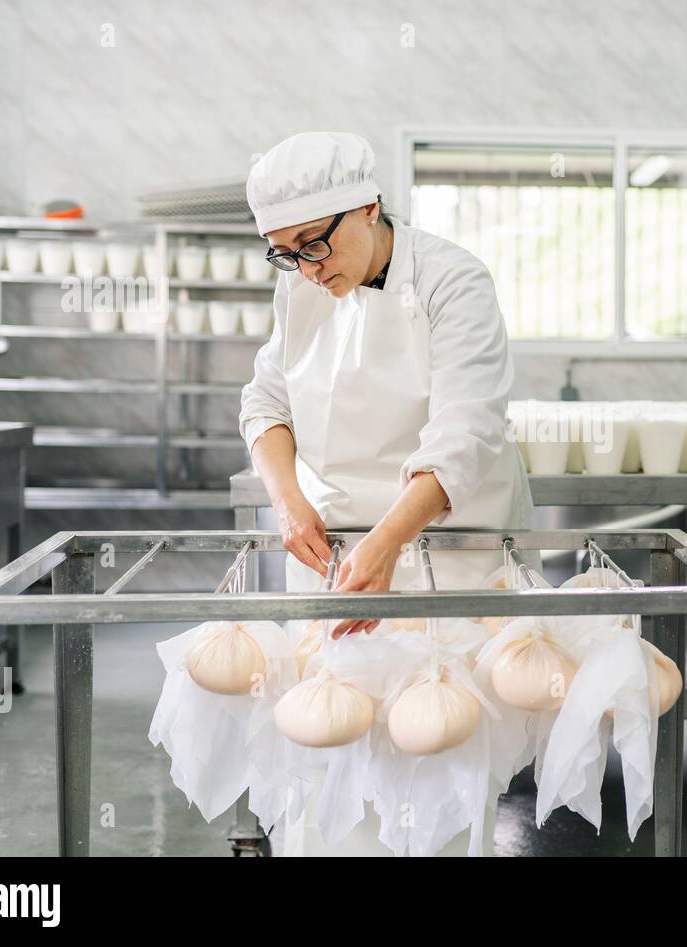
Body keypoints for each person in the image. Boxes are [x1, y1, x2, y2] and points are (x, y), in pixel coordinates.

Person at [239, 131, 533, 854]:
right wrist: (288, 499)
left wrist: (390, 542)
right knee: (330, 757)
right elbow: (264, 403)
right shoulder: (300, 287)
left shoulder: (451, 281)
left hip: (447, 558)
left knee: (434, 763)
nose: (306, 268)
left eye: (314, 243)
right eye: (285, 251)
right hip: (342, 559)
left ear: (368, 208)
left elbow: (463, 435)